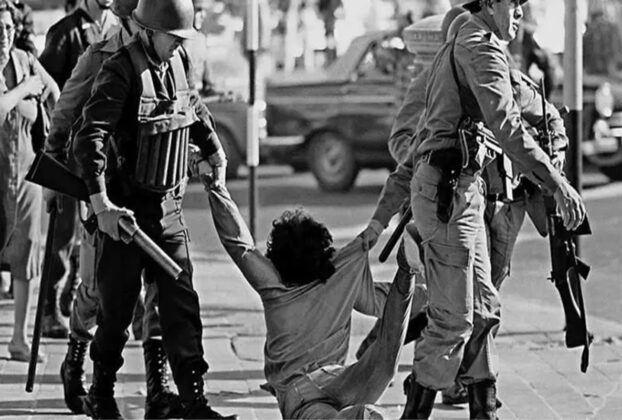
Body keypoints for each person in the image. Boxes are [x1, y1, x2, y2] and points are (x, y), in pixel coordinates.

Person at [364, 0, 585, 418]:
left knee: (484, 309)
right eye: (513, 3)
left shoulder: (477, 51)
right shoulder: (479, 49)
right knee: (452, 322)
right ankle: (418, 407)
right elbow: (505, 127)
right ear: (489, 4)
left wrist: (377, 223)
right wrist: (558, 185)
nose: (520, 13)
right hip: (451, 198)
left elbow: (535, 118)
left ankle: (484, 410)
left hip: (470, 194)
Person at [71, 0, 236, 418]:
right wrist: (101, 205)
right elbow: (89, 137)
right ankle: (101, 395)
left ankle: (194, 402)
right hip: (126, 216)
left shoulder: (178, 61)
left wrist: (214, 150)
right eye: (173, 37)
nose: (179, 44)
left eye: (183, 37)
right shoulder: (119, 69)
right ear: (148, 31)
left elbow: (194, 106)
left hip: (168, 210)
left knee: (182, 306)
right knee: (116, 314)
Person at [44, 0, 182, 417]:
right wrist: (53, 174)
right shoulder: (100, 55)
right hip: (104, 193)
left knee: (155, 294)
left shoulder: (166, 52)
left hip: (153, 195)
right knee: (95, 290)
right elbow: (67, 112)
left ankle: (158, 388)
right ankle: (75, 359)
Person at [203, 173, 415, 420]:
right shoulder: (339, 275)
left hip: (300, 392)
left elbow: (239, 244)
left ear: (276, 259)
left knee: (337, 404)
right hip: (339, 382)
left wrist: (216, 187)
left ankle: (362, 416)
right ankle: (407, 269)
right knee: (382, 366)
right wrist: (427, 289)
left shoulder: (274, 287)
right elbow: (385, 305)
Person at [37, 0, 118, 339]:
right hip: (72, 147)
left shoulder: (120, 25)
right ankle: (49, 306)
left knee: (100, 230)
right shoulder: (65, 32)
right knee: (64, 231)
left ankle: (84, 297)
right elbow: (49, 89)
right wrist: (53, 149)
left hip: (106, 147)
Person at [0, 0, 59, 361]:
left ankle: (19, 338)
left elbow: (55, 93)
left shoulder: (24, 60)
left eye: (8, 27)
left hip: (26, 172)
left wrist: (47, 119)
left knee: (26, 255)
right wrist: (24, 91)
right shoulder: (23, 76)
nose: (3, 34)